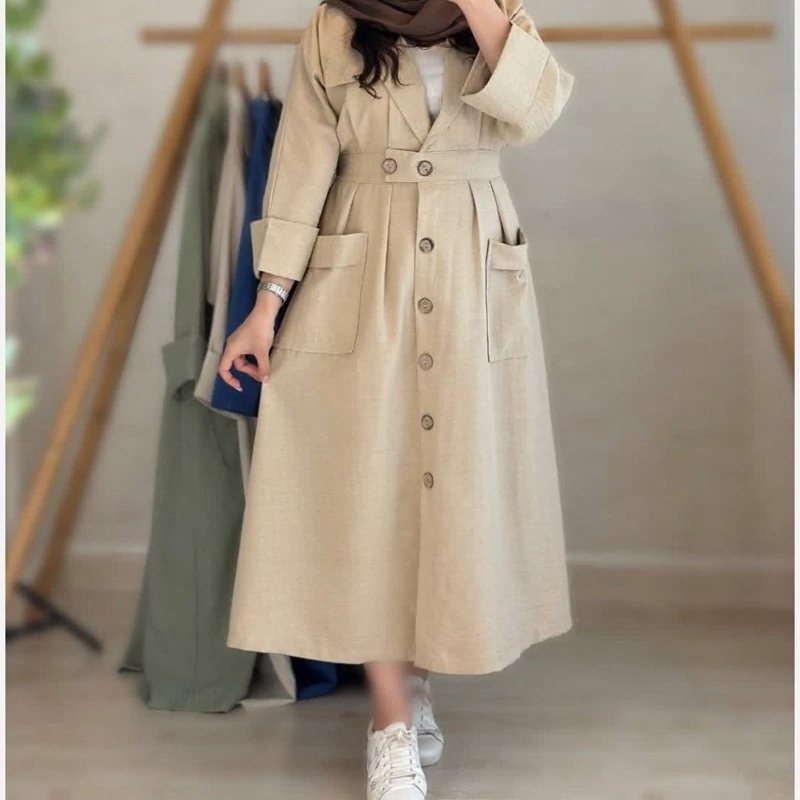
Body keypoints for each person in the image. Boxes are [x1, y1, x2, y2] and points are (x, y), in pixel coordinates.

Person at [218, 0, 574, 797]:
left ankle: (413, 689)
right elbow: (301, 162)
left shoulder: (499, 14)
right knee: (368, 495)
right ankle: (390, 722)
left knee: (447, 493)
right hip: (360, 264)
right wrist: (267, 304)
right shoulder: (335, 23)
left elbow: (536, 111)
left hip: (471, 266)